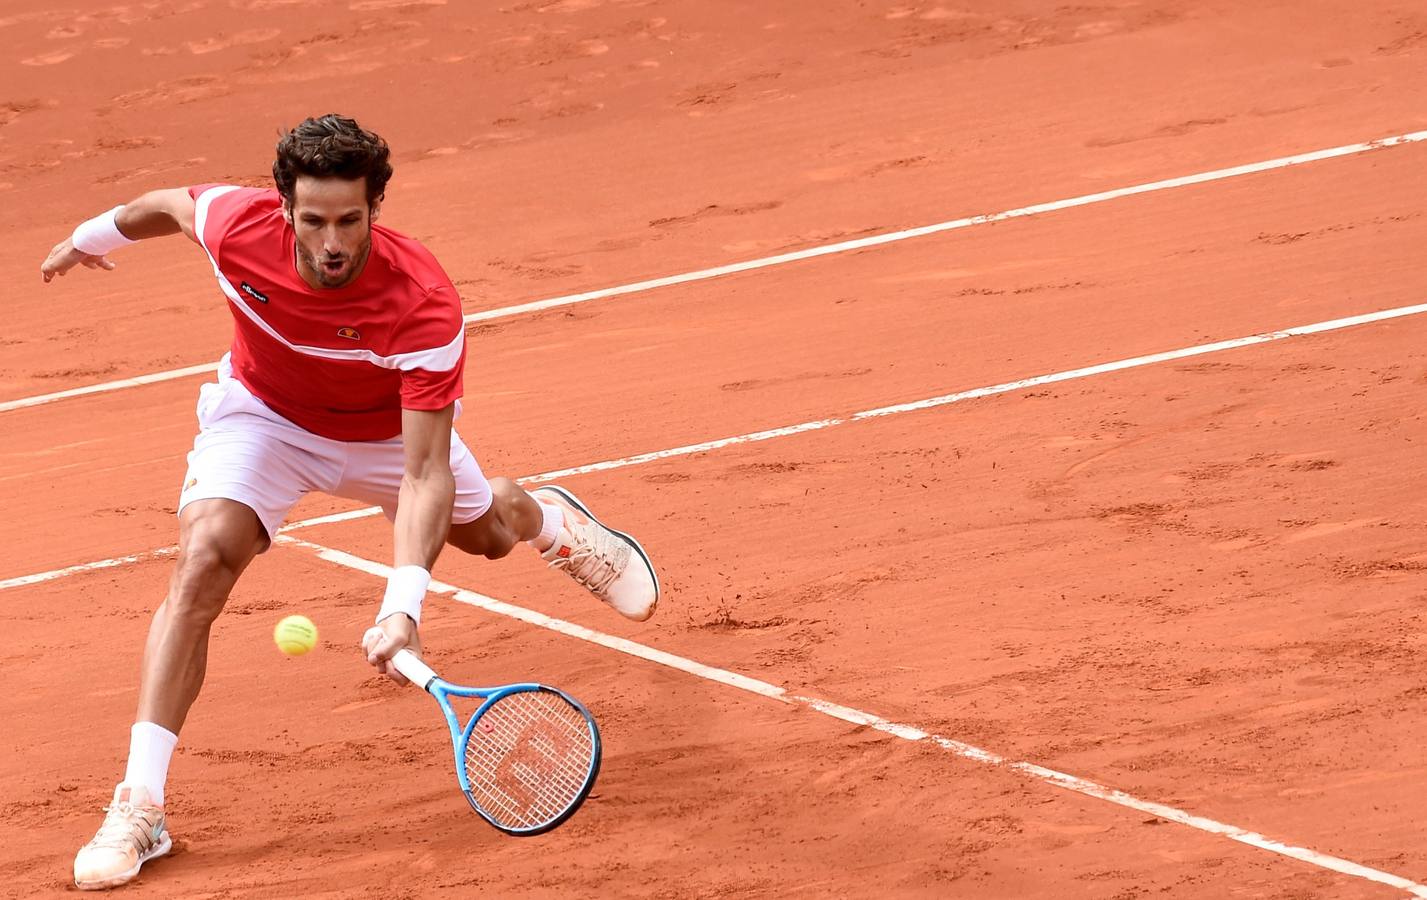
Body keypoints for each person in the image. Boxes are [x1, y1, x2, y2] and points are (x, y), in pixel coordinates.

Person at [39, 114, 659, 891]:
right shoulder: (235, 226)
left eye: (349, 221)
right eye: (312, 220)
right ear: (282, 208)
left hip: (385, 439)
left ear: (375, 210)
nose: (331, 242)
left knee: (489, 535)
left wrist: (404, 604)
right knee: (202, 560)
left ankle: (545, 520)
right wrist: (90, 238)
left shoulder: (423, 302)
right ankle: (141, 805)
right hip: (265, 419)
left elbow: (424, 472)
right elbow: (165, 206)